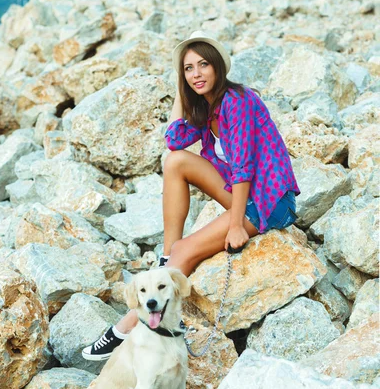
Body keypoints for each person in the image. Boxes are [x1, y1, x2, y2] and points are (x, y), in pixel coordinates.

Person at [82, 30, 300, 363]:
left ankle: (124, 329)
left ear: (218, 68)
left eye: (203, 65)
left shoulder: (237, 101)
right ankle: (169, 258)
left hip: (270, 201)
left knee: (189, 248)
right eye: (188, 69)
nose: (196, 74)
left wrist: (236, 226)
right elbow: (174, 139)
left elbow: (243, 167)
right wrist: (181, 93)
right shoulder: (206, 108)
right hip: (247, 194)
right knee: (176, 162)